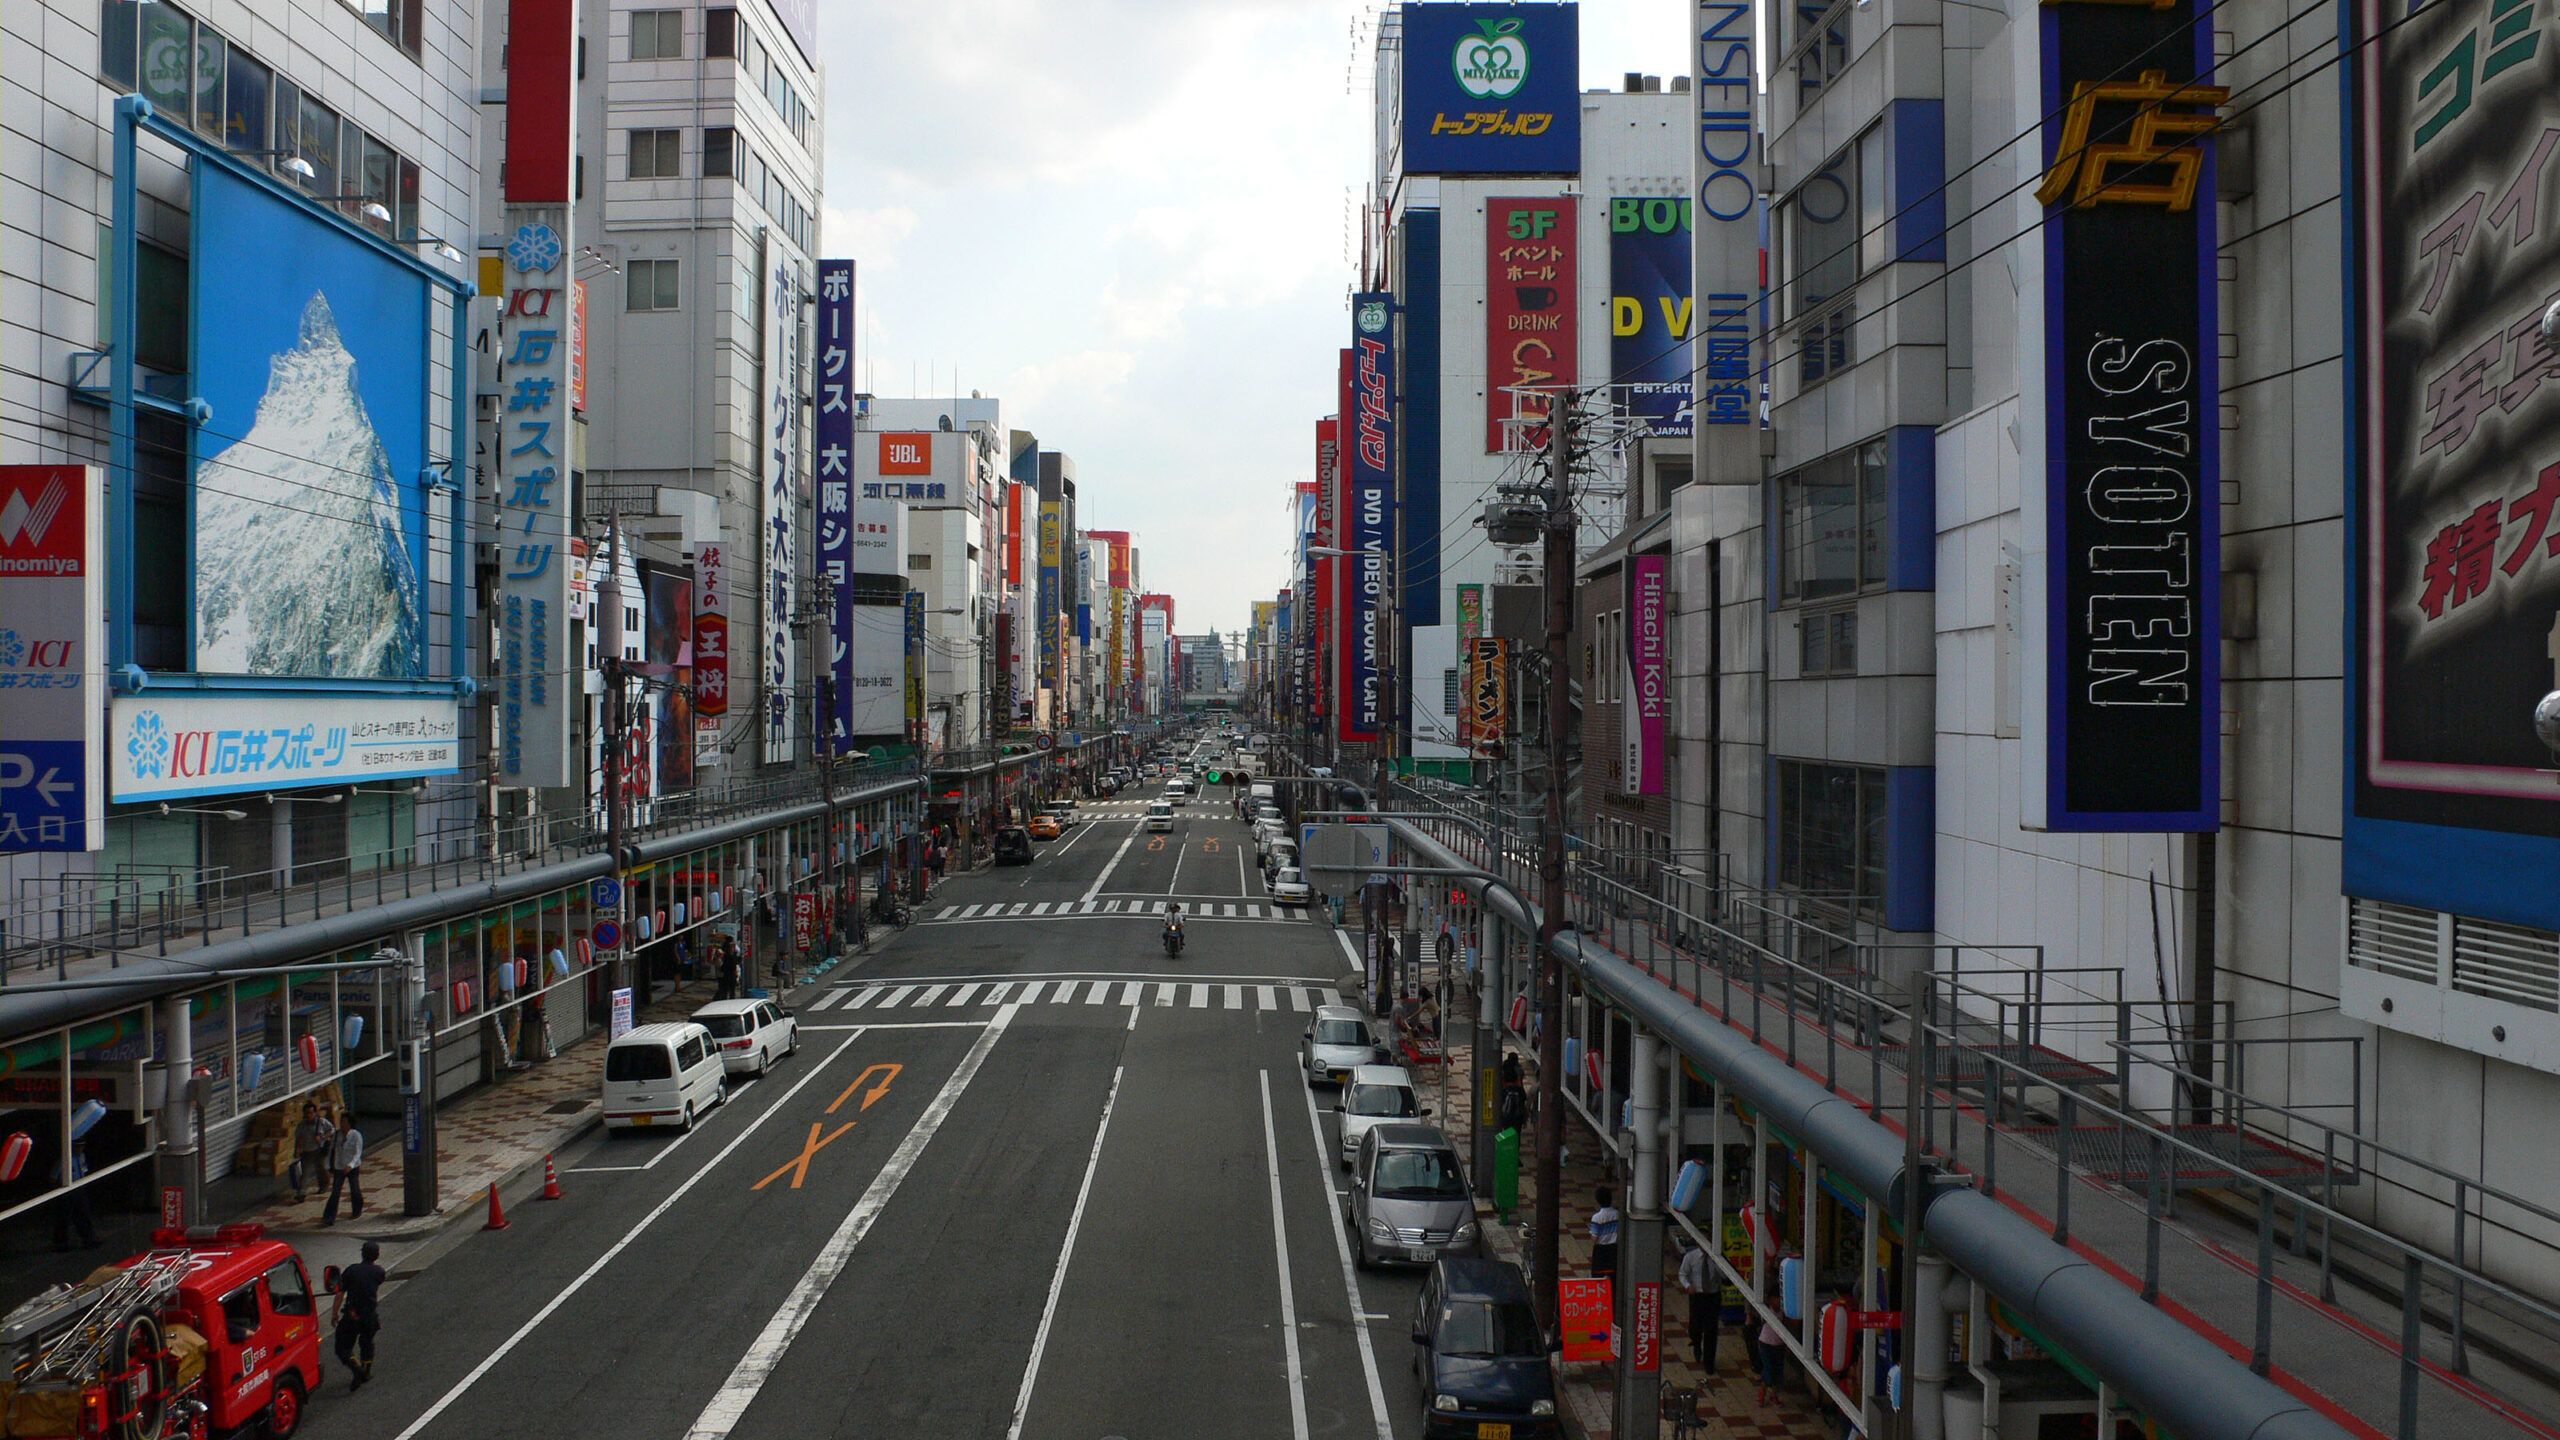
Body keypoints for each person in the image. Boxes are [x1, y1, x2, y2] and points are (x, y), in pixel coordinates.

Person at [331, 1239, 386, 1390]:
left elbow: (340, 1293)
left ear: (362, 1254)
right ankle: (366, 1371)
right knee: (367, 1342)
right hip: (369, 1316)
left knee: (343, 1346)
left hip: (352, 1315)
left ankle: (356, 1368)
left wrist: (334, 1314)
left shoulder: (351, 1271)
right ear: (377, 1255)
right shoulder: (379, 1273)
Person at [1677, 1238, 1719, 1375]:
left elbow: (1725, 1274)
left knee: (1711, 1330)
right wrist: (1688, 1286)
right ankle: (1696, 1343)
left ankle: (1709, 1363)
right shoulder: (1691, 1257)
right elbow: (1682, 1274)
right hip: (1697, 1296)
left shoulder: (1717, 1257)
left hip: (1712, 1296)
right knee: (1695, 1327)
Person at [50, 1137, 98, 1251]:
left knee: (84, 1214)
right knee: (64, 1217)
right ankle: (61, 1243)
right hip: (68, 1191)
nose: (80, 1149)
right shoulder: (64, 1159)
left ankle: (88, 1239)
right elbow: (53, 1177)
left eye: (82, 1146)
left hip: (80, 1188)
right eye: (78, 1146)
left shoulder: (81, 1156)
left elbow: (84, 1170)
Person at [322, 1111, 365, 1225]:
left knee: (355, 1189)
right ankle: (329, 1217)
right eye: (341, 1121)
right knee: (335, 1191)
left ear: (350, 1123)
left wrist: (350, 1165)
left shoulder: (356, 1135)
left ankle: (356, 1210)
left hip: (353, 1167)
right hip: (339, 1167)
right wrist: (327, 1165)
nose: (342, 1124)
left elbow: (358, 1152)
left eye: (344, 1122)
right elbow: (332, 1150)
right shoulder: (337, 1135)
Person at [290, 1102, 333, 1204]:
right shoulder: (302, 1125)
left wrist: (323, 1137)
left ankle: (324, 1185)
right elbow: (299, 1138)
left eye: (311, 1113)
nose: (309, 1115)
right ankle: (302, 1193)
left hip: (319, 1150)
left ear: (315, 1113)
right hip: (307, 1152)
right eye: (307, 1113)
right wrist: (297, 1149)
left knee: (321, 1169)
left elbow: (332, 1130)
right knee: (306, 1173)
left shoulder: (321, 1122)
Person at [1588, 1187, 1621, 1280]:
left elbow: (1594, 1238)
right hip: (1614, 1249)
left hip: (1600, 1250)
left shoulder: (1597, 1218)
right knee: (1614, 1275)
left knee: (1599, 1277)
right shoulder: (1617, 1214)